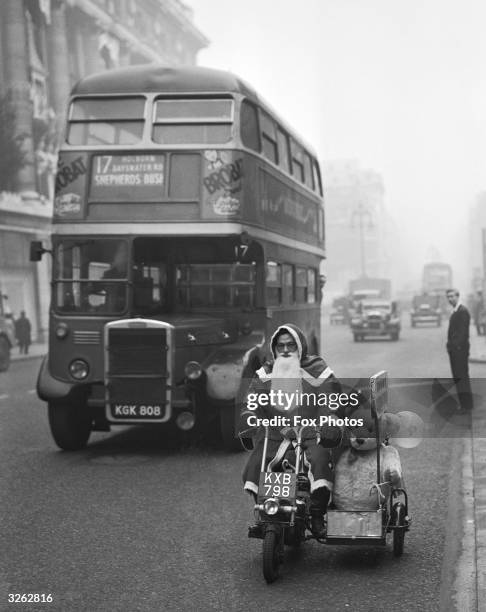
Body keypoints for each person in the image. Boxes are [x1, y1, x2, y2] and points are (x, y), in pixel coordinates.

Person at [240, 323, 343, 537]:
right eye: (280, 346)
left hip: (311, 433)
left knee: (321, 461)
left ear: (299, 346)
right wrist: (249, 417)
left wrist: (327, 420)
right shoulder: (266, 372)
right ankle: (267, 513)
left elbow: (331, 397)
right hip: (277, 435)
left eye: (290, 345)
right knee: (256, 463)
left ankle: (316, 515)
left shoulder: (317, 368)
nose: (285, 350)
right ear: (274, 348)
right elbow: (252, 401)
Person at [446, 288, 473, 411]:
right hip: (457, 350)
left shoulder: (462, 311)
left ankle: (466, 406)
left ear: (458, 296)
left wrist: (454, 346)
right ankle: (465, 404)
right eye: (448, 296)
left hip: (459, 351)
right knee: (459, 377)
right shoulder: (456, 310)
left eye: (452, 296)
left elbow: (462, 333)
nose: (450, 298)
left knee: (461, 377)